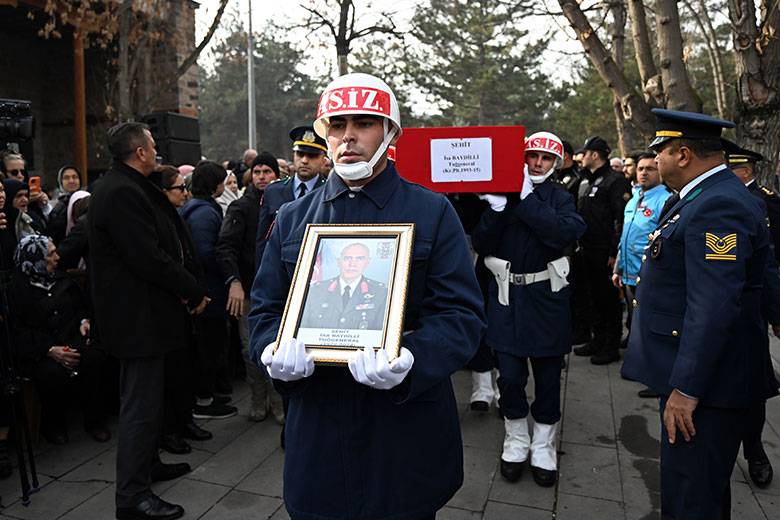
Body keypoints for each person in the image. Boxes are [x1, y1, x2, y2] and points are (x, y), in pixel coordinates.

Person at [249, 73, 486, 520]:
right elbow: (265, 308)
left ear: (390, 132)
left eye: (365, 123)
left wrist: (413, 358)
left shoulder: (433, 211)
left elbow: (463, 315)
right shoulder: (292, 217)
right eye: (337, 125)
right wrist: (271, 351)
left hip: (403, 432)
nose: (349, 136)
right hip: (318, 431)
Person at [621, 109, 773, 519]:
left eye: (661, 152)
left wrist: (687, 389)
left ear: (683, 154)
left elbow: (713, 307)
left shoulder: (718, 205)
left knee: (693, 499)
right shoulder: (704, 196)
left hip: (706, 387)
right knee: (693, 490)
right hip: (700, 376)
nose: (656, 161)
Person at [88, 122, 208, 520]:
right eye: (153, 146)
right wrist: (191, 287)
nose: (157, 152)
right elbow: (147, 257)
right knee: (140, 407)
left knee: (151, 402)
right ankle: (132, 498)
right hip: (136, 320)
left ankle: (148, 465)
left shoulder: (132, 185)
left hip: (149, 317)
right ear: (139, 152)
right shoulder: (121, 191)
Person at [472, 132, 585, 487]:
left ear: (556, 164)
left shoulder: (561, 197)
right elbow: (481, 242)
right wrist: (497, 209)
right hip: (506, 300)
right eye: (532, 156)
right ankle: (516, 441)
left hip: (546, 300)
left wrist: (525, 198)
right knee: (510, 377)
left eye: (545, 159)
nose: (537, 164)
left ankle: (543, 446)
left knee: (549, 379)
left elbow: (561, 234)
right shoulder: (504, 192)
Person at [10, 235, 110, 444]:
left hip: (71, 339)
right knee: (50, 373)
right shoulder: (18, 292)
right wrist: (50, 349)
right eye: (51, 254)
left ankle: (95, 421)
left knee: (94, 358)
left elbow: (80, 307)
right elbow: (18, 331)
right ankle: (52, 424)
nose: (57, 257)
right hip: (41, 351)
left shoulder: (62, 280)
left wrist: (84, 321)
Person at [723, 142, 780, 488]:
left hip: (751, 308)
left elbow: (770, 264)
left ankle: (754, 449)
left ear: (743, 171)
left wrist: (776, 313)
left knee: (753, 387)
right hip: (717, 306)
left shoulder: (763, 201)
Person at [216, 152, 283, 423]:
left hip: (281, 291)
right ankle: (258, 398)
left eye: (267, 172)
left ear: (277, 175)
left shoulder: (288, 202)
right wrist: (234, 282)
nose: (262, 177)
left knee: (279, 348)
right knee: (251, 348)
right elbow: (226, 247)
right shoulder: (241, 208)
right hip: (249, 289)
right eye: (257, 172)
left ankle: (279, 401)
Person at [154, 164, 214, 455]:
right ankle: (170, 431)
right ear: (164, 192)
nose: (185, 193)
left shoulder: (177, 216)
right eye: (179, 188)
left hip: (190, 305)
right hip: (170, 310)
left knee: (188, 369)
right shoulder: (156, 221)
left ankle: (185, 420)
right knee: (171, 374)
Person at [180, 161, 238, 420]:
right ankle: (204, 399)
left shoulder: (201, 208)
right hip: (209, 291)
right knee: (209, 345)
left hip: (208, 289)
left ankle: (210, 392)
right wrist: (227, 272)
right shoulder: (204, 213)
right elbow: (206, 252)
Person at [572, 136, 631, 364]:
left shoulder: (614, 181)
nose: (582, 157)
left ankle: (610, 344)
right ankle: (598, 338)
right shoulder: (589, 180)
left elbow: (620, 219)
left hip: (604, 251)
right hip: (587, 248)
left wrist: (613, 253)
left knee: (608, 299)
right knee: (593, 296)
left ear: (594, 155)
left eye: (585, 153)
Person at [612, 152, 672, 362]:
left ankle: (654, 370)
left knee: (650, 325)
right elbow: (625, 236)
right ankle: (639, 361)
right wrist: (618, 267)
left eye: (650, 169)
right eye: (640, 169)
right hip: (629, 273)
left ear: (660, 171)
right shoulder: (634, 198)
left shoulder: (666, 200)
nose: (644, 173)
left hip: (650, 274)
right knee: (635, 320)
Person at [255, 125, 327, 266]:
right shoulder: (273, 191)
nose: (305, 160)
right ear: (294, 155)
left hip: (316, 269)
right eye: (300, 154)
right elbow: (262, 240)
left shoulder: (329, 192)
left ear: (324, 159)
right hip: (278, 267)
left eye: (312, 155)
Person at [300, 242, 388, 330]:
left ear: (367, 263)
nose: (352, 264)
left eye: (360, 259)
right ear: (338, 262)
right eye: (347, 258)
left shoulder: (381, 293)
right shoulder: (316, 291)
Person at [46, 165, 83, 245]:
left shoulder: (87, 200)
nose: (71, 181)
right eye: (66, 178)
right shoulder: (53, 205)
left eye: (75, 177)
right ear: (60, 181)